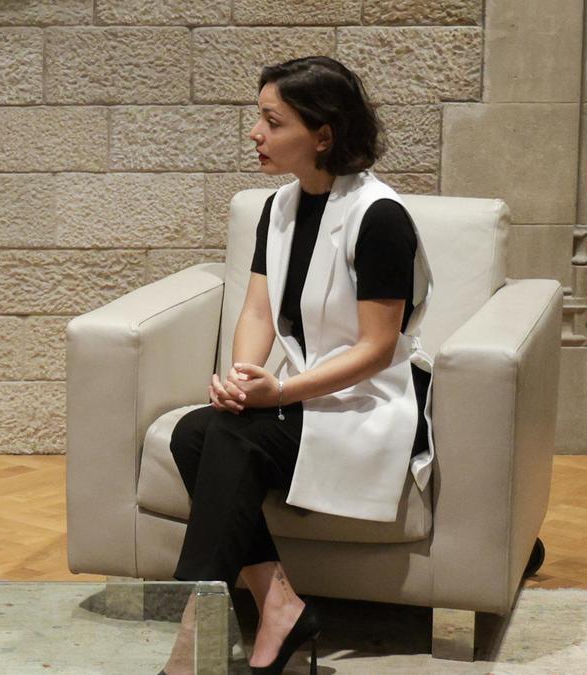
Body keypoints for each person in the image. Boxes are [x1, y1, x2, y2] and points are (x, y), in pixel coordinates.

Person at [160, 56, 433, 675]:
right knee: (195, 430)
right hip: (308, 393)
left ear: (323, 134)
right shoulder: (279, 206)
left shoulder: (380, 217)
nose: (255, 133)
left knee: (223, 436)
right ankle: (278, 606)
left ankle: (189, 635)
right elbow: (256, 310)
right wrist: (240, 377)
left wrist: (278, 388)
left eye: (271, 120)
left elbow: (376, 349)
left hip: (374, 400)